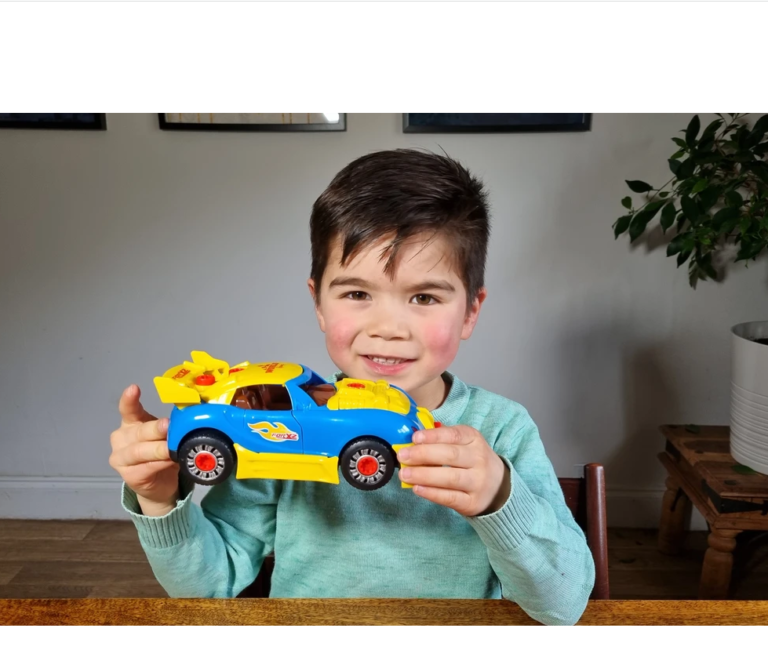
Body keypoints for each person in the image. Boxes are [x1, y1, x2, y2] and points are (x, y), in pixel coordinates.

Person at [108, 149, 595, 625]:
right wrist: (160, 499)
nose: (388, 328)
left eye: (425, 297)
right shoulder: (271, 423)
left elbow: (563, 605)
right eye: (358, 293)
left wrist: (499, 496)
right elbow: (209, 585)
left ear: (470, 311)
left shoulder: (502, 429)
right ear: (318, 303)